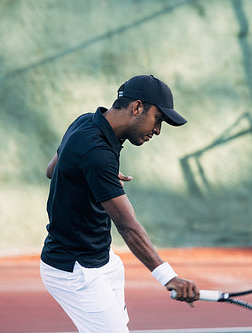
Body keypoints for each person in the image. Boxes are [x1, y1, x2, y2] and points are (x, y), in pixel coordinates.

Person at [40, 74, 200, 333]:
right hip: (75, 270)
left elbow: (52, 170)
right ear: (137, 107)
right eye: (158, 119)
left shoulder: (85, 122)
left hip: (104, 261)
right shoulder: (98, 153)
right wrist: (168, 277)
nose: (158, 130)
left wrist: (92, 174)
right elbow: (127, 226)